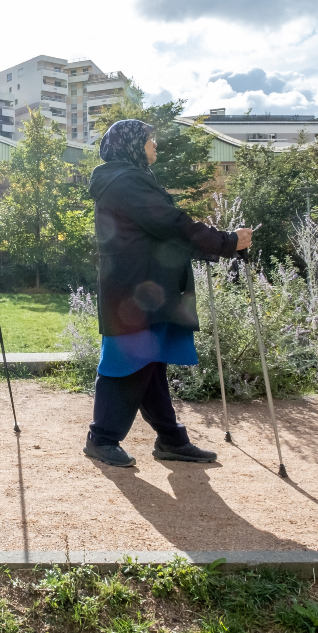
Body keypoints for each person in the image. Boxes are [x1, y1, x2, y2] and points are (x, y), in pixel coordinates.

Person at [84, 119, 253, 467]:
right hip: (134, 293)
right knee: (126, 364)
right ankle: (101, 438)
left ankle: (171, 440)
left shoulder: (127, 179)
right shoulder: (127, 182)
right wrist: (226, 241)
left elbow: (161, 235)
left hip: (140, 288)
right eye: (149, 141)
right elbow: (172, 223)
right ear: (132, 145)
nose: (154, 146)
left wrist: (221, 247)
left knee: (149, 364)